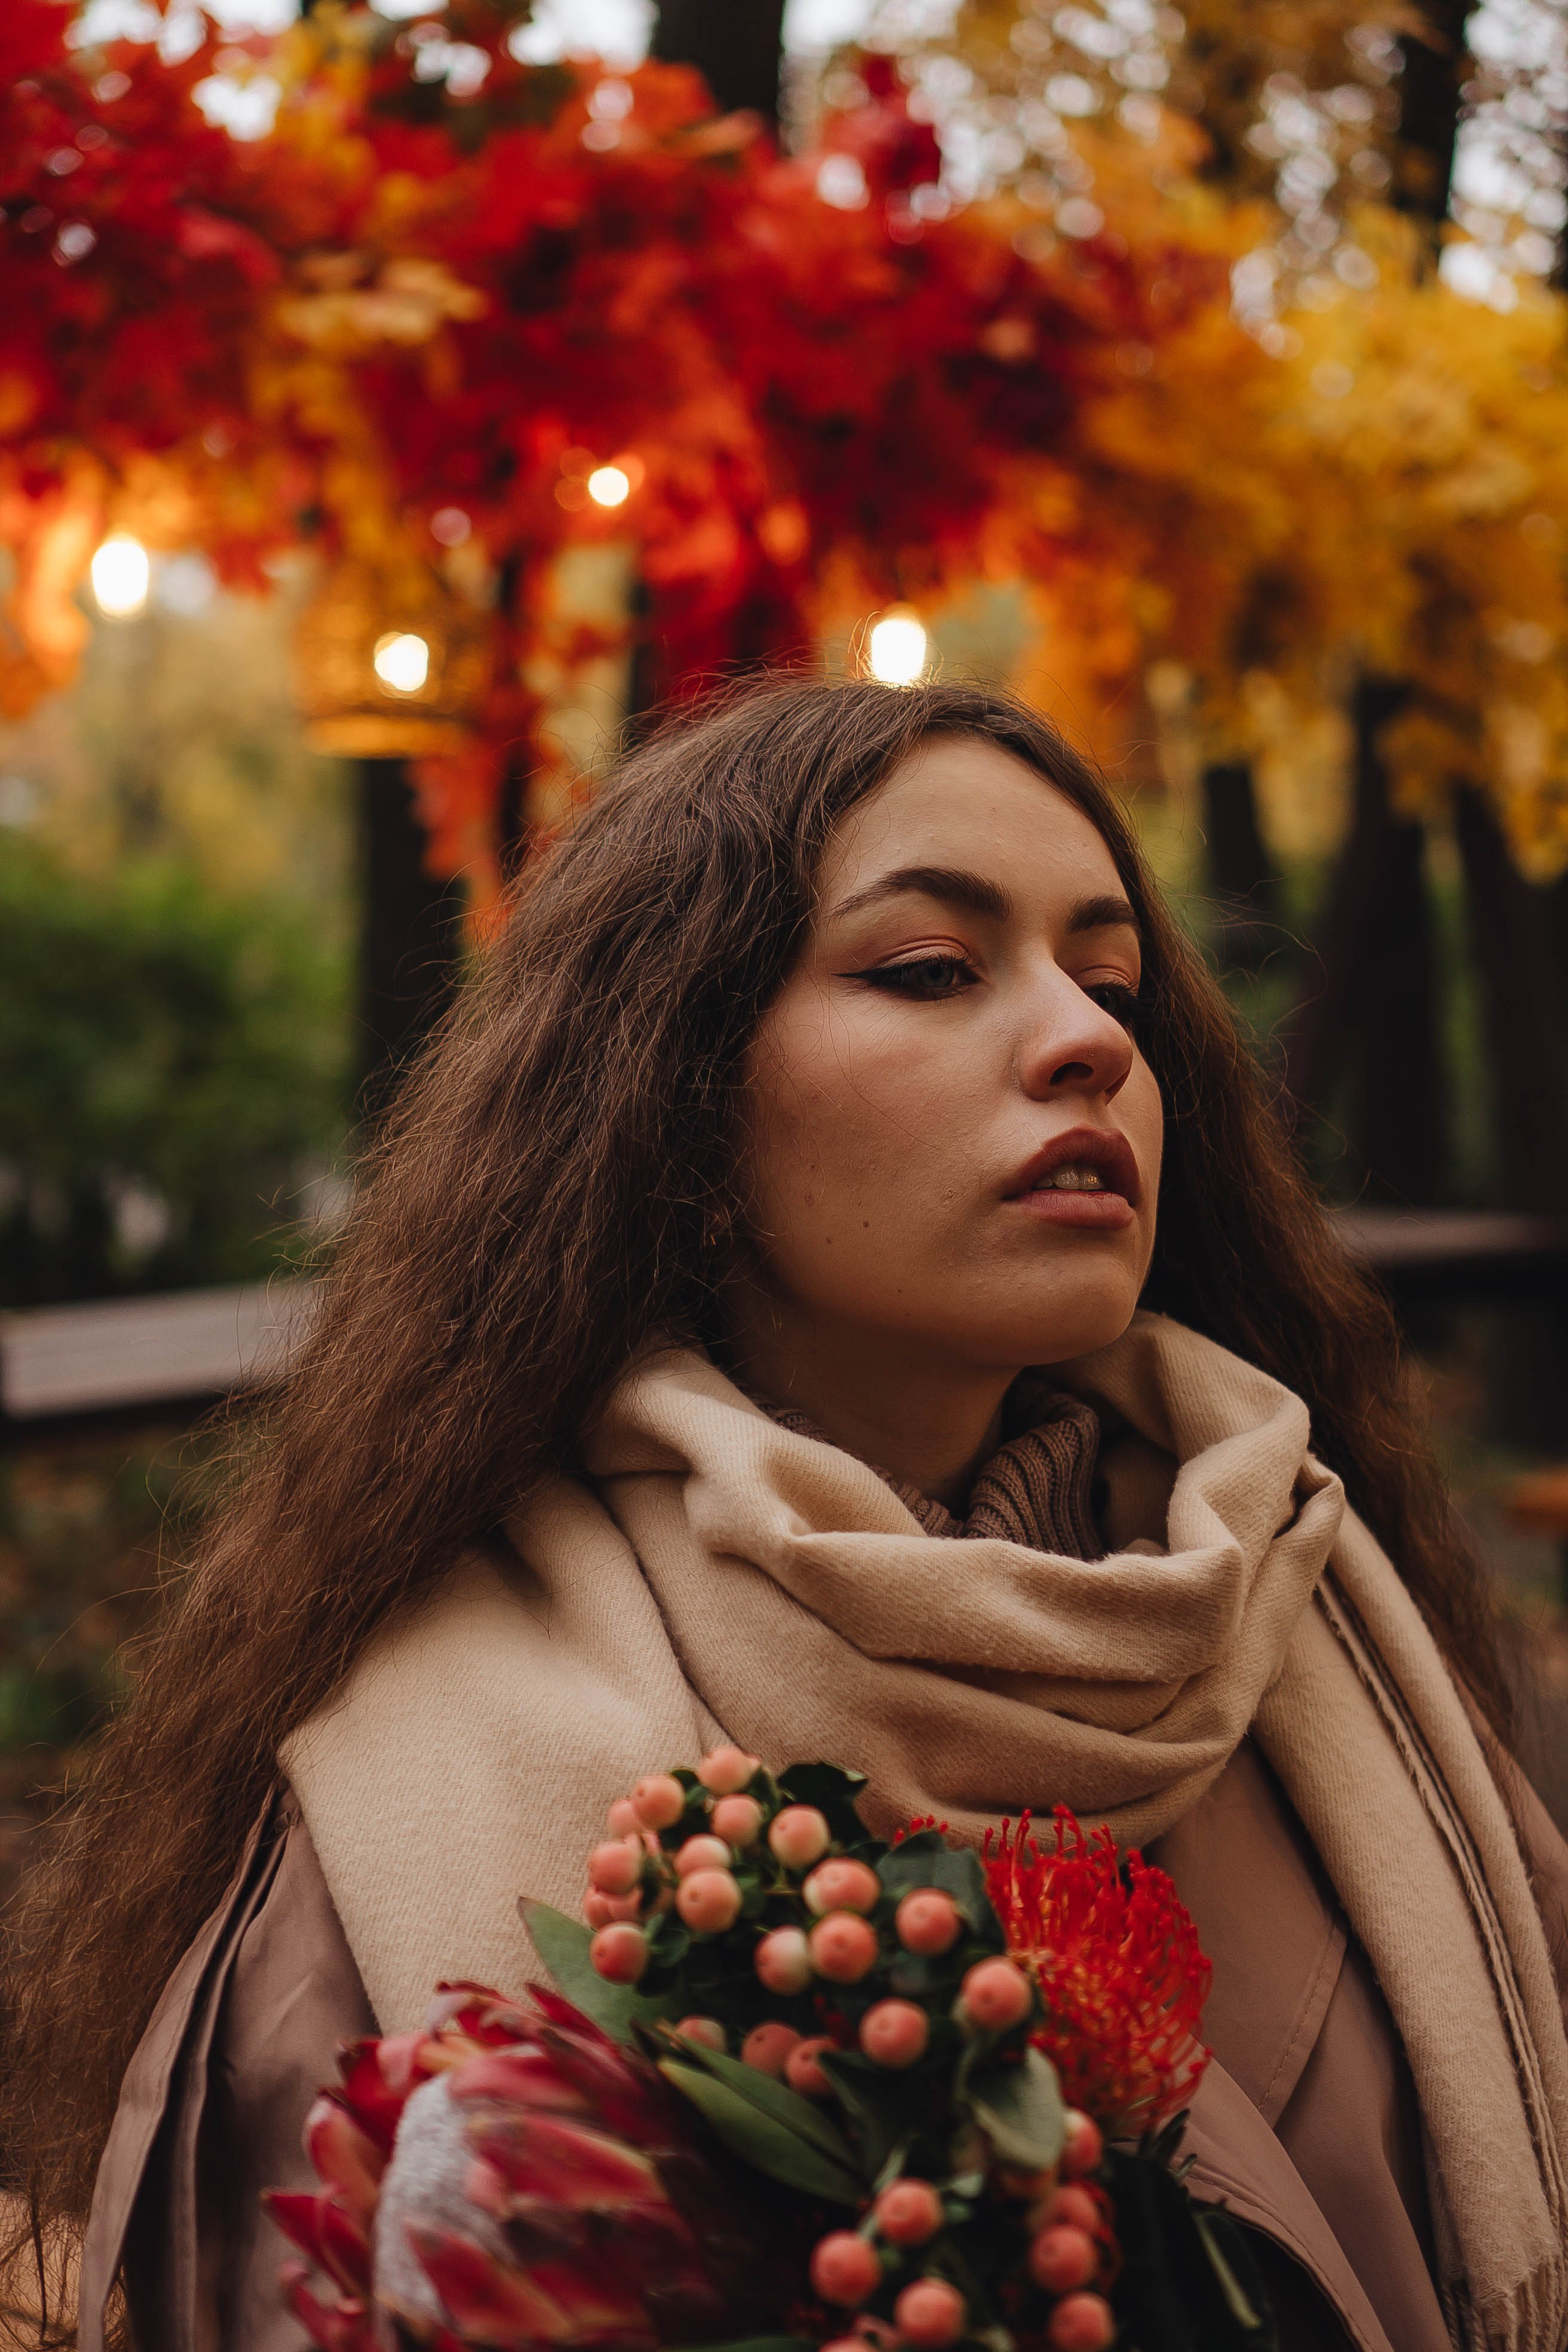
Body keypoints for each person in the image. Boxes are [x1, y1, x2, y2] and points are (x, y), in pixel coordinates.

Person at [6, 679, 1567, 2352]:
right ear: (673, 1095)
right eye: (930, 969)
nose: (1093, 1039)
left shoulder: (1328, 1624)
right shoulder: (411, 1797)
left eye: (1112, 981)